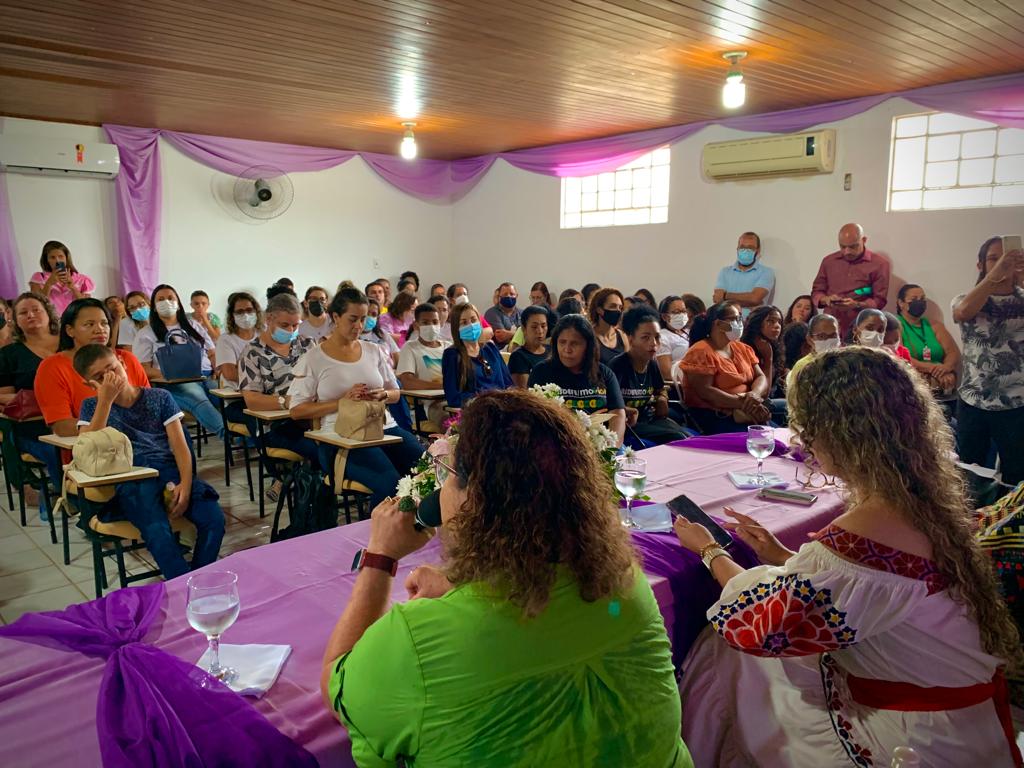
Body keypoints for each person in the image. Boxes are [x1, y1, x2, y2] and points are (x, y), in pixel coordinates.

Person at [674, 347, 1022, 767]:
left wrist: (709, 550)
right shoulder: (919, 498)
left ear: (840, 434)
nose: (802, 440)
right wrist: (781, 554)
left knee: (727, 655)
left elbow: (760, 624)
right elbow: (864, 592)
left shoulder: (866, 530)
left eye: (806, 427)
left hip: (917, 737)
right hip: (965, 721)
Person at [320, 390, 693, 768]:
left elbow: (338, 688)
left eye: (448, 476)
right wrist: (460, 586)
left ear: (473, 501)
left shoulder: (416, 642)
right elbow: (544, 624)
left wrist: (380, 557)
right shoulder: (626, 583)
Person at [75, 343, 225, 581]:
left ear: (123, 364)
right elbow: (87, 445)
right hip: (131, 478)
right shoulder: (92, 407)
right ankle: (184, 587)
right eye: (100, 377)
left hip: (169, 471)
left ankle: (199, 580)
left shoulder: (159, 397)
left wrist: (185, 485)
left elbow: (180, 447)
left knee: (213, 519)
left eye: (112, 369)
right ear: (89, 384)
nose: (110, 378)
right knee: (157, 531)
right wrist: (104, 400)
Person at [288, 288, 423, 509]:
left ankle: (416, 531)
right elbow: (297, 410)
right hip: (340, 436)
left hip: (383, 428)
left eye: (364, 319)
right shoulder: (314, 358)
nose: (359, 326)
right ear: (335, 317)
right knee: (389, 482)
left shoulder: (374, 351)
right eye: (352, 319)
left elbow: (396, 392)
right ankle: (378, 538)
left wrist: (383, 394)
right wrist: (341, 402)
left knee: (429, 470)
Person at [952, 236, 1024, 485]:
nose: (1002, 263)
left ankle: (1010, 523)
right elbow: (963, 312)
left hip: (1017, 405)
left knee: (1016, 477)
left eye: (1008, 257)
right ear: (980, 264)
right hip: (973, 401)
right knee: (968, 473)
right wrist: (996, 276)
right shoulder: (964, 298)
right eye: (994, 258)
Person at [35, 298, 150, 439]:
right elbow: (62, 426)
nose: (100, 329)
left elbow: (150, 406)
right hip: (93, 449)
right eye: (89, 324)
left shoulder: (126, 358)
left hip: (146, 440)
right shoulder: (52, 367)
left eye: (104, 323)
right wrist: (121, 426)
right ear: (70, 330)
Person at [239, 292, 318, 471]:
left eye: (295, 325)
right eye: (284, 325)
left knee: (337, 447)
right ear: (269, 319)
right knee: (319, 451)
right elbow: (252, 400)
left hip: (314, 416)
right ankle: (305, 487)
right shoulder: (253, 352)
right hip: (277, 425)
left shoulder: (307, 345)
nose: (291, 330)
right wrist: (287, 402)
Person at [132, 284, 223, 439]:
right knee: (198, 398)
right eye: (160, 299)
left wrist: (217, 369)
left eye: (170, 298)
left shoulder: (193, 326)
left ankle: (249, 431)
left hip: (205, 376)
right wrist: (170, 374)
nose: (166, 302)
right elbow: (142, 368)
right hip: (174, 383)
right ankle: (230, 435)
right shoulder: (146, 334)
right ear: (154, 306)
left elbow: (212, 352)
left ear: (178, 304)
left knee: (223, 397)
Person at [0, 293, 60, 515]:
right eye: (23, 313)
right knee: (57, 452)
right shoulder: (9, 354)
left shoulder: (69, 343)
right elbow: (5, 397)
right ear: (14, 320)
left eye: (36, 309)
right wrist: (47, 398)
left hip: (75, 418)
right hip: (34, 427)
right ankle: (73, 499)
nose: (31, 315)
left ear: (48, 313)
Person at [527, 314, 626, 446]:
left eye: (575, 343)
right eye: (562, 342)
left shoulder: (604, 373)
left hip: (600, 444)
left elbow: (618, 413)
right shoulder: (541, 372)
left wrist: (611, 447)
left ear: (588, 346)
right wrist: (583, 424)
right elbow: (535, 420)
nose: (567, 350)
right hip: (558, 445)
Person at [678, 301, 770, 434]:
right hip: (715, 416)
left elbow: (760, 376)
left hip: (747, 411)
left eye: (740, 318)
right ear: (718, 324)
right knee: (759, 441)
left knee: (774, 438)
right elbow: (706, 392)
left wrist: (754, 395)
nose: (740, 323)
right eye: (734, 319)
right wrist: (744, 404)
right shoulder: (701, 351)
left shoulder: (742, 348)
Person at [611, 306, 688, 445]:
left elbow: (660, 389)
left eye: (657, 337)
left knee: (689, 436)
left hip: (649, 420)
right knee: (678, 437)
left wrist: (662, 398)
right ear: (630, 338)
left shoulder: (652, 364)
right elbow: (608, 403)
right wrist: (627, 410)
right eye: (645, 338)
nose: (653, 343)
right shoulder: (618, 365)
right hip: (628, 425)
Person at [812, 223, 891, 338]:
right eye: (842, 247)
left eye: (853, 247)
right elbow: (816, 291)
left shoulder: (879, 264)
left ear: (864, 240)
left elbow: (880, 300)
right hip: (829, 327)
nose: (847, 252)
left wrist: (857, 304)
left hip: (862, 327)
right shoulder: (828, 261)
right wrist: (826, 299)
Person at [441, 302, 512, 408]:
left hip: (503, 406)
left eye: (474, 320)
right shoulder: (452, 355)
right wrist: (485, 401)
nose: (471, 325)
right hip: (477, 411)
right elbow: (453, 397)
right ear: (456, 328)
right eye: (464, 323)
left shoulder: (490, 349)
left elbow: (508, 383)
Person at [896, 283, 960, 393]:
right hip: (911, 378)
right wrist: (932, 369)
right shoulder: (895, 326)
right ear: (901, 303)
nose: (919, 302)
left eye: (922, 299)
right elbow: (900, 356)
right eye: (914, 299)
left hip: (940, 377)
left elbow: (953, 352)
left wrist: (946, 368)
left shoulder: (935, 325)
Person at [397, 303, 450, 425]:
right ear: (416, 325)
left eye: (435, 322)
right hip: (433, 404)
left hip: (457, 399)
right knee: (450, 422)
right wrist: (444, 386)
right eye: (425, 323)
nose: (431, 326)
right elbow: (407, 382)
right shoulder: (410, 348)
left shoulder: (449, 347)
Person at [713, 231, 775, 316]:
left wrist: (725, 296)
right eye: (742, 247)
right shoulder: (725, 272)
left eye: (750, 248)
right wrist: (748, 300)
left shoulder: (766, 272)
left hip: (753, 325)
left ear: (758, 250)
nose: (745, 251)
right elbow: (717, 298)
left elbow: (755, 298)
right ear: (737, 248)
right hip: (726, 323)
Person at [28, 240, 95, 316]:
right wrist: (49, 284)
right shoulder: (39, 278)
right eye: (52, 257)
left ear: (66, 258)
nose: (57, 260)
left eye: (61, 256)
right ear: (47, 260)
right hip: (51, 321)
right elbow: (37, 303)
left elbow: (86, 305)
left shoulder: (82, 279)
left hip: (75, 320)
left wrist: (72, 287)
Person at [215, 292, 261, 390]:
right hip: (236, 395)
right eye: (240, 312)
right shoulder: (225, 340)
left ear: (256, 312)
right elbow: (230, 374)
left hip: (265, 393)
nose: (246, 315)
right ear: (232, 316)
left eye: (249, 310)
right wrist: (263, 378)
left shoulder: (264, 334)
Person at [740, 305, 786, 396]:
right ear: (757, 324)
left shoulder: (773, 346)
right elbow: (764, 394)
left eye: (779, 322)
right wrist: (768, 358)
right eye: (770, 321)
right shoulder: (746, 348)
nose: (777, 326)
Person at [787, 313, 841, 387]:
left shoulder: (846, 361)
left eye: (833, 336)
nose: (829, 340)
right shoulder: (804, 366)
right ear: (809, 339)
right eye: (822, 336)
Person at [508, 305, 550, 388]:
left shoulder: (552, 350)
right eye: (534, 327)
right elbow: (524, 391)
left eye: (543, 326)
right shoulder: (518, 356)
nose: (540, 331)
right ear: (524, 329)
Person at [587, 287, 629, 366]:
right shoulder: (589, 336)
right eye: (613, 306)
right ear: (599, 310)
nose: (618, 311)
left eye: (620, 307)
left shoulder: (622, 336)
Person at [656, 295, 690, 381]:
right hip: (680, 384)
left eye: (684, 311)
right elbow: (667, 373)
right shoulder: (662, 337)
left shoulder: (688, 331)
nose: (681, 315)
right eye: (676, 312)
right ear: (664, 316)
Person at [359, 298, 400, 367]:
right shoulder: (353, 336)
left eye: (374, 314)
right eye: (366, 314)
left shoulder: (382, 334)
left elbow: (397, 358)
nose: (369, 317)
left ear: (377, 317)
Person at [483, 282, 521, 349]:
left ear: (517, 295)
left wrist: (510, 334)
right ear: (499, 297)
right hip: (500, 353)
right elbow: (501, 337)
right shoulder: (492, 313)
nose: (509, 296)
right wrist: (520, 335)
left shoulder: (523, 313)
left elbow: (530, 336)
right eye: (505, 294)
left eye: (512, 294)